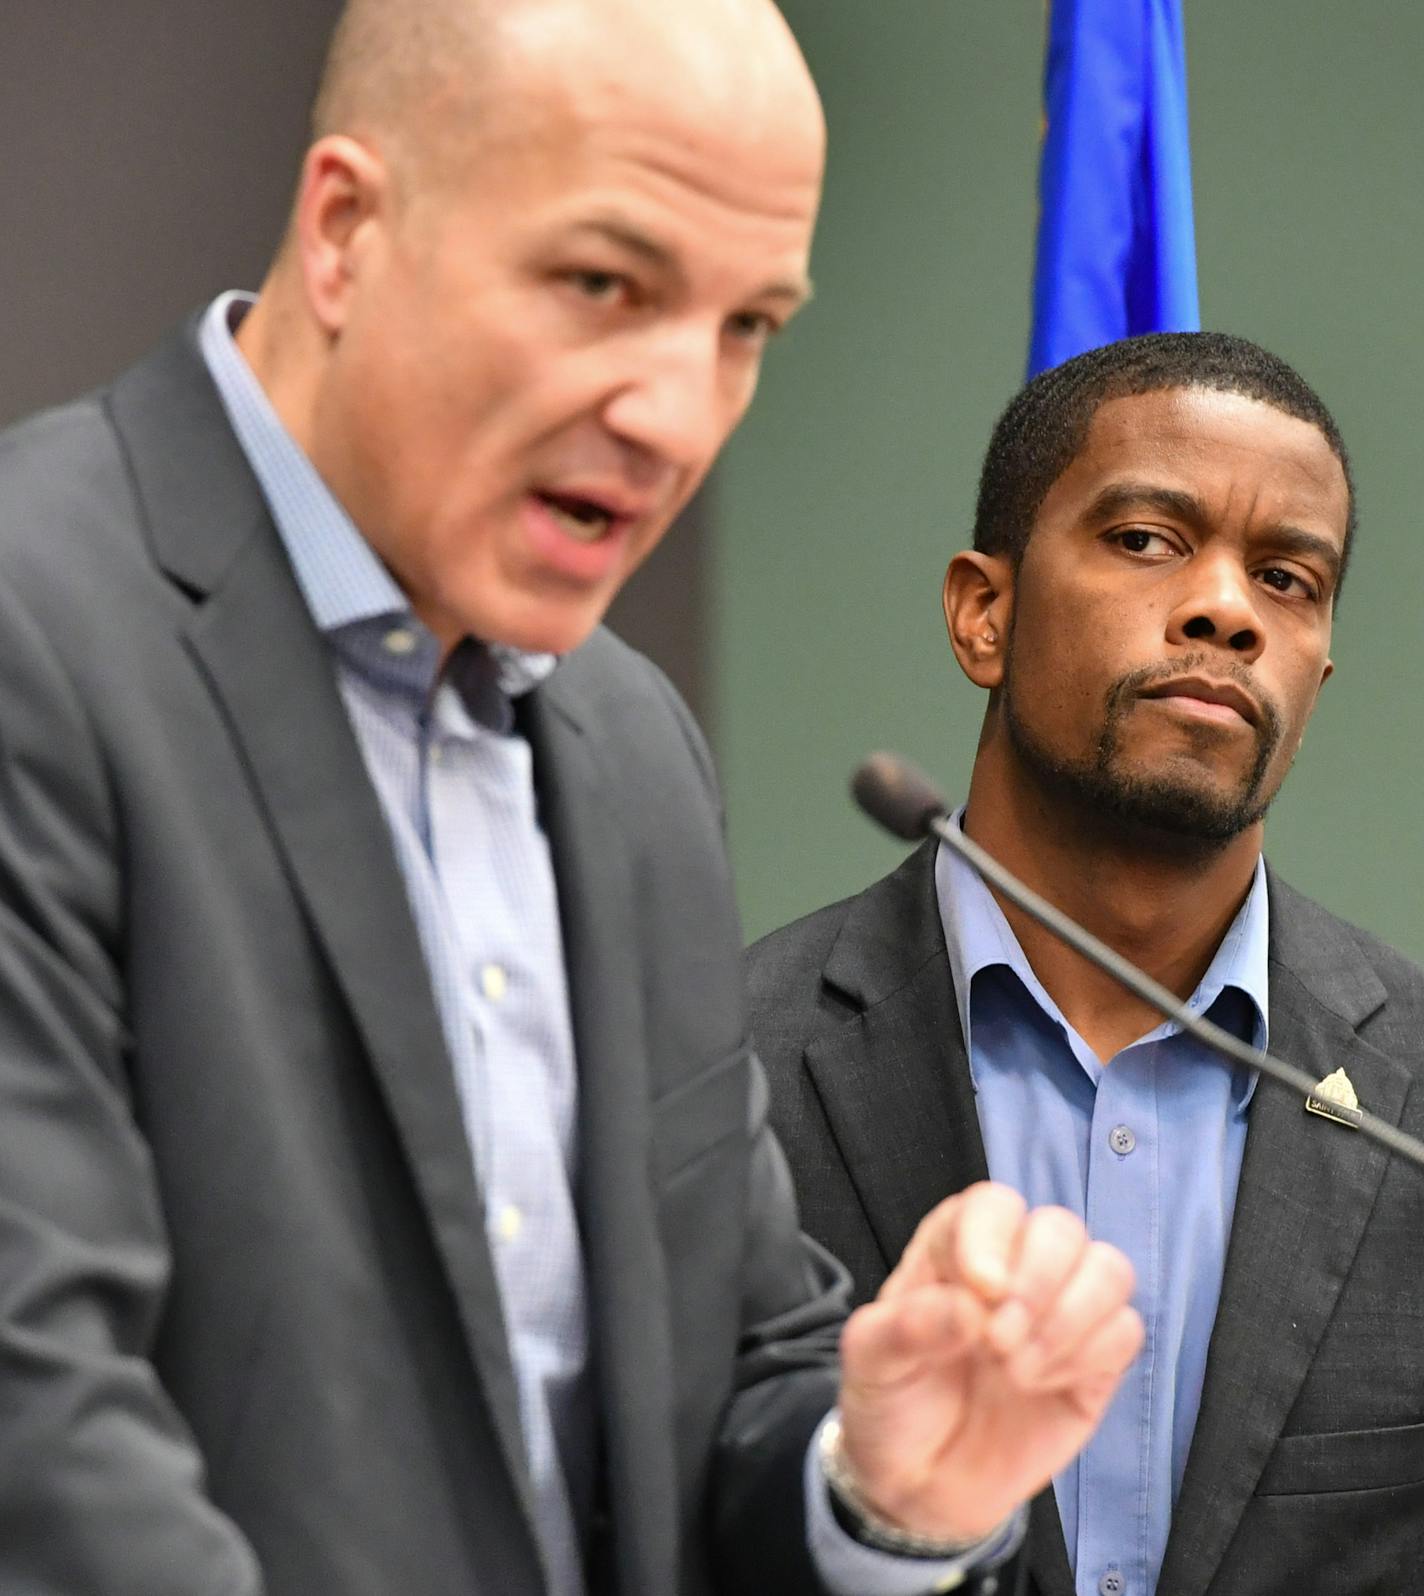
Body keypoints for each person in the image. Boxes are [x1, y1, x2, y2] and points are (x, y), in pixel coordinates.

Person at [0, 1, 1144, 1592]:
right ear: (345, 230)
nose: (679, 416)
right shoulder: (33, 631)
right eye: (605, 286)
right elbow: (39, 1451)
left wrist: (876, 1492)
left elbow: (728, 1363)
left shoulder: (627, 745)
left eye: (748, 328)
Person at [748, 331, 1424, 1596]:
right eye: (1145, 541)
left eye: (1285, 578)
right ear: (981, 611)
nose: (1225, 608)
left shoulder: (1409, 1103)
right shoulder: (721, 1072)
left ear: (1317, 671)